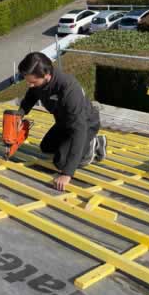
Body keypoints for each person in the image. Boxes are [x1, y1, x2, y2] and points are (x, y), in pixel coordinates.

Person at [17, 52, 107, 191]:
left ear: (46, 75)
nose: (30, 85)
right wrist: (20, 114)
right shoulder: (38, 84)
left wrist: (67, 174)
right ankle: (71, 147)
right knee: (46, 147)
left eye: (33, 82)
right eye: (27, 81)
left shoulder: (68, 89)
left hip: (85, 124)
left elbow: (79, 129)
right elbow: (31, 96)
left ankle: (94, 144)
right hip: (64, 123)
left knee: (61, 162)